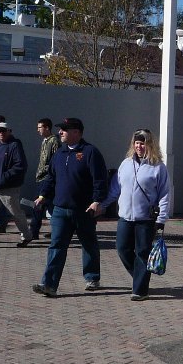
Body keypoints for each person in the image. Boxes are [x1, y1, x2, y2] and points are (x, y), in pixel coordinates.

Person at [31, 117, 107, 296]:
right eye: (61, 129)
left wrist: (97, 201)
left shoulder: (90, 152)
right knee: (56, 246)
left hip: (83, 210)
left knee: (88, 244)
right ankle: (49, 285)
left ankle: (92, 277)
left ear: (77, 132)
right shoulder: (59, 153)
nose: (60, 132)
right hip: (60, 210)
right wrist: (42, 195)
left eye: (64, 129)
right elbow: (51, 178)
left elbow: (100, 180)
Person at [100, 128, 171, 301]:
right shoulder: (125, 164)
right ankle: (141, 278)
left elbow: (164, 194)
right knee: (122, 249)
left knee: (142, 252)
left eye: (143, 143)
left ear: (150, 145)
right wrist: (102, 205)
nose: (139, 146)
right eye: (137, 143)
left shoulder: (158, 167)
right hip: (125, 217)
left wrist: (161, 218)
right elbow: (115, 188)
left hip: (146, 219)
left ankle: (140, 290)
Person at [29, 117, 59, 240]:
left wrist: (49, 174)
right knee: (39, 206)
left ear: (47, 128)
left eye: (40, 127)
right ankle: (34, 231)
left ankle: (56, 231)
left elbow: (55, 161)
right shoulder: (45, 141)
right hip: (41, 178)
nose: (38, 130)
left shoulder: (54, 141)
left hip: (48, 179)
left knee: (48, 206)